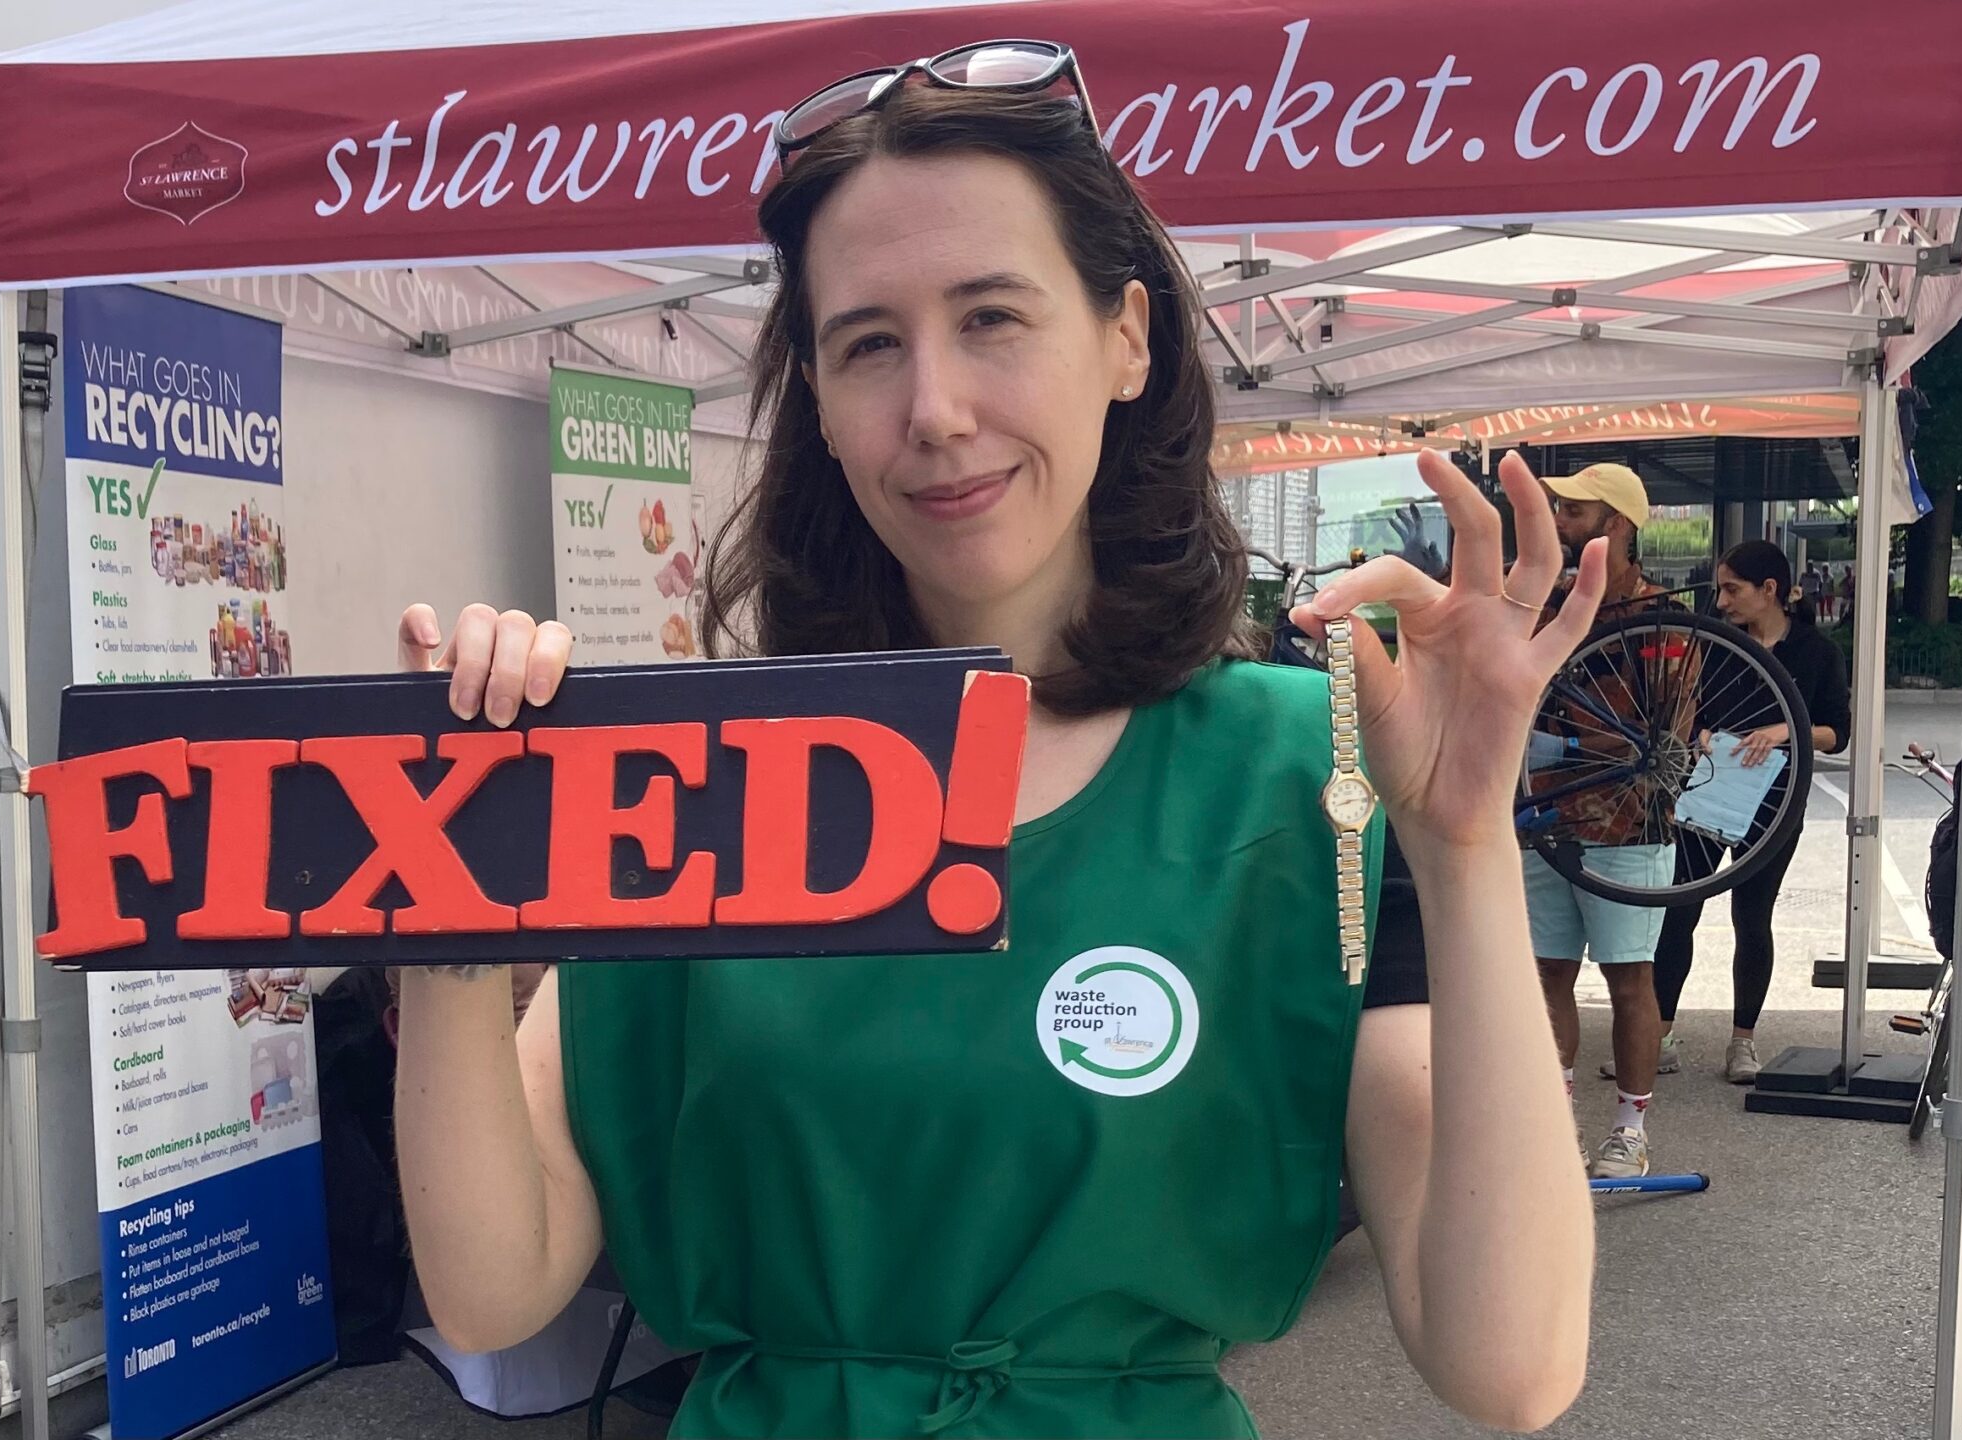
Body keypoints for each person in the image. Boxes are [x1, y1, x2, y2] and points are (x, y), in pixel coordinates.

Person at [389, 46, 1598, 1439]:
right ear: (824, 407)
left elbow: (1510, 1367)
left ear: (1127, 339)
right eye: (870, 345)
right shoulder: (697, 772)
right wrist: (449, 909)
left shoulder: (1313, 781)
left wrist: (1462, 847)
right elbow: (491, 1292)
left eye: (992, 318)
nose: (937, 411)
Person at [1522, 462, 1682, 1179]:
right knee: (1546, 970)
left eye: (1575, 513)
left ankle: (1630, 1126)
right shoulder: (1547, 603)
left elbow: (1669, 731)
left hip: (1628, 822)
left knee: (1628, 977)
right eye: (1558, 509)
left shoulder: (1665, 618)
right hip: (1545, 811)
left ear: (1616, 526)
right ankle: (1556, 1128)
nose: (1559, 521)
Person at [1645, 540, 1851, 1083]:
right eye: (1720, 588)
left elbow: (1837, 733)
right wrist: (1699, 734)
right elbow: (1688, 709)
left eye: (1733, 589)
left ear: (1770, 591)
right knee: (1680, 907)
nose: (1723, 600)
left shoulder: (1815, 651)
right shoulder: (1718, 643)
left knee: (1752, 917)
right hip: (1710, 787)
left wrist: (1786, 728)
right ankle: (1658, 1035)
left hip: (1776, 800)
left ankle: (1743, 1042)